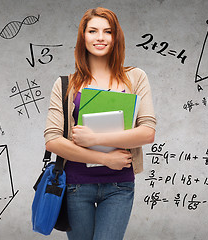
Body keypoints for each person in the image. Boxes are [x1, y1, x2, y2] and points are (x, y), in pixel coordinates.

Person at [44, 7, 156, 240]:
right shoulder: (66, 84)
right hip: (75, 186)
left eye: (108, 31)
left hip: (119, 186)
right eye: (93, 31)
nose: (100, 37)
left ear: (116, 38)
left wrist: (95, 139)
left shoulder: (135, 77)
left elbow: (147, 133)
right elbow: (53, 140)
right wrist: (103, 158)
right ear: (83, 37)